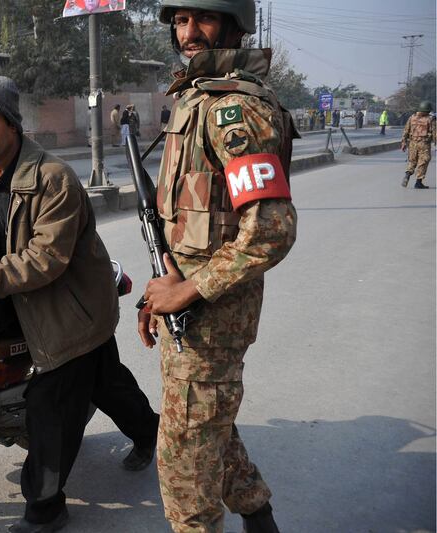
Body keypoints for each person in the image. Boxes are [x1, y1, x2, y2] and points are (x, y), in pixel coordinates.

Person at [0, 76, 159, 533]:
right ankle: (150, 432)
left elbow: (46, 259)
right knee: (106, 382)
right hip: (24, 300)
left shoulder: (53, 178)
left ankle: (45, 509)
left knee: (51, 407)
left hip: (70, 308)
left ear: (13, 125)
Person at [139, 1, 299, 531]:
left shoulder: (233, 109)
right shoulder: (197, 97)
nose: (188, 32)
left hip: (212, 314)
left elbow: (270, 231)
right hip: (187, 308)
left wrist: (185, 293)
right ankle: (257, 511)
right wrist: (160, 292)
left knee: (184, 462)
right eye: (180, 22)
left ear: (234, 25)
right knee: (207, 423)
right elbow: (187, 220)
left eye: (201, 19)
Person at [401, 101, 436, 189]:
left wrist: (404, 142)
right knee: (423, 161)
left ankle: (408, 174)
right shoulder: (431, 119)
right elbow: (435, 133)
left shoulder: (412, 117)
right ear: (428, 110)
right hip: (424, 144)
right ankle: (418, 182)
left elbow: (406, 130)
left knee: (412, 160)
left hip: (412, 143)